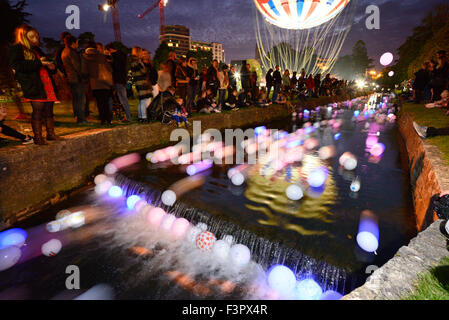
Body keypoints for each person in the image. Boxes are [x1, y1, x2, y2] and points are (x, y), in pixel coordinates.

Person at [9, 25, 61, 145]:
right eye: (31, 36)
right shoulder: (17, 48)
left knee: (49, 110)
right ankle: (38, 137)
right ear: (23, 37)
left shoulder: (37, 49)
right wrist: (39, 62)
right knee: (38, 110)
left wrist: (52, 67)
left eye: (36, 36)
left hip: (46, 83)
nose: (35, 38)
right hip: (33, 84)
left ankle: (50, 134)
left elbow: (46, 65)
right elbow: (18, 66)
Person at [82, 41, 114, 125]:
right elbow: (109, 68)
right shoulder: (101, 56)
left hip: (94, 83)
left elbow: (84, 71)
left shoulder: (85, 57)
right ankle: (108, 119)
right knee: (106, 102)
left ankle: (103, 120)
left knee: (100, 102)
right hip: (104, 82)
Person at [62, 35, 88, 124]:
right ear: (73, 43)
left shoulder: (64, 51)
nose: (77, 44)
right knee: (80, 100)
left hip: (71, 78)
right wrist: (84, 76)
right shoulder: (71, 52)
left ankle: (78, 117)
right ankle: (81, 119)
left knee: (76, 99)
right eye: (77, 43)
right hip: (77, 79)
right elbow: (78, 67)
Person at [105, 42, 132, 122]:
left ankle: (127, 117)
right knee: (124, 99)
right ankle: (128, 116)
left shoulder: (114, 56)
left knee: (121, 99)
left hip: (117, 80)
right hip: (122, 79)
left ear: (110, 50)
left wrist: (110, 62)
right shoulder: (123, 55)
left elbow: (116, 68)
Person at [129, 46, 152, 123]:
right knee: (144, 100)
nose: (142, 54)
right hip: (141, 83)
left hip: (140, 82)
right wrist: (144, 66)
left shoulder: (134, 61)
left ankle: (141, 116)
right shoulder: (136, 61)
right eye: (141, 52)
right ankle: (143, 117)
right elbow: (143, 71)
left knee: (142, 100)